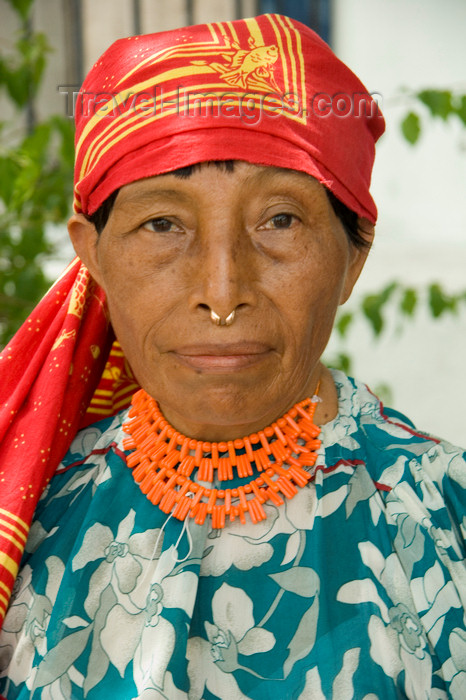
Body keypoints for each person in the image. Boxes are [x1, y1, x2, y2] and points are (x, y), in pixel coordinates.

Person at [0, 13, 465, 699]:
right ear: (92, 255)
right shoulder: (33, 514)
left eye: (280, 220)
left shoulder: (443, 519)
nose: (221, 295)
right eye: (162, 224)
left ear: (354, 255)